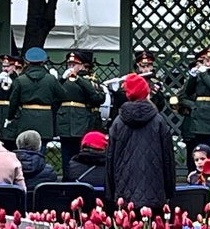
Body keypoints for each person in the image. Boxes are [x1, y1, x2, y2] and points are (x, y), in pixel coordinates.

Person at [106, 73, 176, 217]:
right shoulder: (158, 121)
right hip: (155, 192)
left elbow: (110, 158)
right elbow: (168, 158)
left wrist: (111, 192)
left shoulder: (118, 122)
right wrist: (169, 191)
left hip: (124, 192)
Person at [56, 50, 105, 176]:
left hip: (81, 120)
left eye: (75, 64)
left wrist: (78, 79)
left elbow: (97, 98)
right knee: (66, 153)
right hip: (65, 119)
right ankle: (66, 180)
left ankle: (78, 178)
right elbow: (54, 95)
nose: (71, 67)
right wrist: (62, 79)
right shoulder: (63, 80)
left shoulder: (86, 80)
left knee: (80, 152)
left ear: (82, 66)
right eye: (69, 64)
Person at [8, 48, 64, 145]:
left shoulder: (21, 80)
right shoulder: (50, 79)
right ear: (43, 62)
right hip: (45, 117)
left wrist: (10, 117)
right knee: (41, 149)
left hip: (26, 117)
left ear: (27, 62)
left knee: (24, 147)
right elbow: (62, 96)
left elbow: (14, 101)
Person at [109, 50, 168, 122]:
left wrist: (156, 94)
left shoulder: (155, 82)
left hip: (150, 117)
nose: (146, 69)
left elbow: (160, 105)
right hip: (131, 116)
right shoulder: (131, 80)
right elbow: (120, 102)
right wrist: (117, 92)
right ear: (137, 66)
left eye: (148, 66)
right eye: (143, 66)